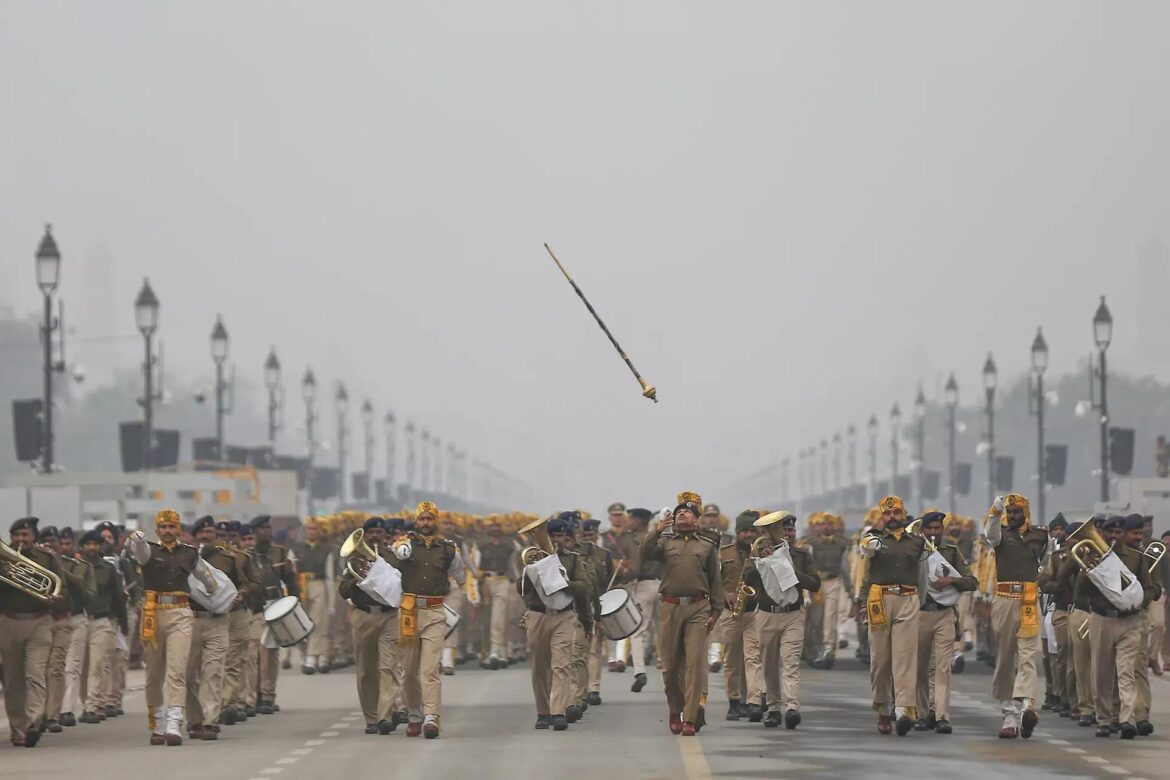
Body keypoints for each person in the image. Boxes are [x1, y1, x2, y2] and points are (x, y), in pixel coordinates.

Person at [128, 509, 220, 746]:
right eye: (164, 527)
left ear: (179, 529)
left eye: (172, 527)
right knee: (153, 673)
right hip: (152, 614)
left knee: (177, 671)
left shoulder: (189, 553)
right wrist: (136, 539)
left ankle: (173, 723)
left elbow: (206, 577)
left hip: (180, 613)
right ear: (157, 530)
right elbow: (139, 552)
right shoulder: (149, 550)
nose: (168, 531)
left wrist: (213, 589)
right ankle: (157, 724)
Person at [641, 491, 724, 737]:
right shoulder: (665, 542)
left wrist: (716, 612)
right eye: (678, 512)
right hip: (670, 607)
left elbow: (715, 580)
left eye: (686, 512)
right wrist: (657, 530)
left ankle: (689, 718)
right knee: (669, 666)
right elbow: (644, 553)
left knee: (695, 665)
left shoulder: (707, 545)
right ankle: (674, 709)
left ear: (696, 520)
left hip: (698, 608)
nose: (681, 514)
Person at [393, 500, 462, 738]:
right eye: (422, 518)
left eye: (430, 518)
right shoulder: (405, 545)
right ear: (416, 520)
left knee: (429, 669)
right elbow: (391, 569)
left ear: (436, 521)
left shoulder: (448, 549)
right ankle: (414, 712)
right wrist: (399, 544)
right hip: (409, 613)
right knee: (409, 670)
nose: (425, 523)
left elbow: (460, 576)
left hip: (434, 612)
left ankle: (432, 716)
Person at [744, 511, 820, 729]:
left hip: (792, 615)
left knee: (791, 663)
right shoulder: (759, 552)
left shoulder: (802, 555)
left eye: (790, 530)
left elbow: (815, 584)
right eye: (783, 530)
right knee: (769, 665)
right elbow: (746, 579)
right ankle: (774, 708)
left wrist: (790, 569)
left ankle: (792, 707)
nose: (786, 534)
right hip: (767, 614)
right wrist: (758, 558)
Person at [1080, 515, 1153, 739]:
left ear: (1123, 534)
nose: (1114, 536)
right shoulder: (1091, 556)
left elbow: (1148, 588)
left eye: (1118, 533)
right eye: (1110, 532)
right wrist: (1089, 570)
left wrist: (1140, 601)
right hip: (1102, 619)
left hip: (1129, 620)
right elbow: (1079, 592)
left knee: (1126, 671)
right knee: (1101, 673)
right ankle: (1104, 719)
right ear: (1102, 533)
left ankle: (1126, 719)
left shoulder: (1135, 557)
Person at [983, 493, 1048, 739]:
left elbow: (1047, 561)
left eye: (1015, 512)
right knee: (1005, 658)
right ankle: (1009, 713)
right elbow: (990, 534)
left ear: (1025, 512)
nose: (1011, 516)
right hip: (1005, 599)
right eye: (1009, 512)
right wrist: (995, 511)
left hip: (1030, 600)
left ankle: (1026, 707)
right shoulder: (1000, 533)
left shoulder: (1040, 535)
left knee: (1028, 657)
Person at [859, 496, 926, 736]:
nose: (892, 517)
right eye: (887, 514)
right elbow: (864, 562)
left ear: (903, 514)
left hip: (908, 598)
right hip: (879, 599)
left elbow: (925, 574)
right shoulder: (872, 539)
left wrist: (922, 601)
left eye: (896, 513)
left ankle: (903, 710)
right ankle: (883, 709)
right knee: (881, 659)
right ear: (882, 517)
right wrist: (861, 602)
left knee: (905, 657)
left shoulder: (918, 542)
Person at [519, 514, 592, 731]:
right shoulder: (533, 558)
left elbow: (584, 588)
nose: (557, 540)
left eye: (561, 535)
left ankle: (557, 711)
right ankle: (543, 712)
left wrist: (561, 582)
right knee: (540, 666)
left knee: (561, 664)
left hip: (564, 615)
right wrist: (533, 571)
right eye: (553, 536)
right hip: (538, 614)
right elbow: (520, 589)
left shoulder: (573, 559)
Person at [0, 516, 65, 747]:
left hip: (40, 622)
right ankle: (17, 728)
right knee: (13, 680)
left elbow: (60, 587)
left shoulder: (47, 558)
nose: (20, 540)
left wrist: (56, 598)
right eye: (15, 536)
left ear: (33, 537)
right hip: (9, 621)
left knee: (35, 675)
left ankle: (33, 722)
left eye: (24, 535)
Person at [913, 511, 977, 734]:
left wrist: (951, 580)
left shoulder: (951, 552)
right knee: (920, 669)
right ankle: (923, 714)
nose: (933, 532)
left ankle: (942, 716)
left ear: (942, 529)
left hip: (944, 615)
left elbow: (972, 582)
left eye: (937, 528)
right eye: (929, 528)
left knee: (942, 668)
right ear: (922, 530)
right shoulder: (915, 552)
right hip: (919, 614)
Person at [340, 517, 403, 735]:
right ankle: (371, 717)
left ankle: (385, 715)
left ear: (385, 535)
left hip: (389, 616)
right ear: (365, 536)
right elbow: (343, 591)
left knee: (388, 667)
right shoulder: (354, 560)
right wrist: (359, 578)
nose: (375, 536)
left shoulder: (393, 558)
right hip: (364, 615)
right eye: (371, 532)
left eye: (379, 532)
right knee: (367, 670)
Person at [717, 510, 764, 722]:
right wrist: (724, 594)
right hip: (730, 613)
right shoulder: (723, 553)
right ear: (737, 532)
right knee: (732, 661)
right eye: (744, 531)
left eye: (753, 530)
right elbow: (713, 581)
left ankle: (752, 702)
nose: (749, 535)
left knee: (753, 658)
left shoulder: (763, 552)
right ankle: (734, 702)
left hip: (754, 613)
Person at [79, 530, 128, 727]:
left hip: (103, 621)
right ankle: (86, 703)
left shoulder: (109, 570)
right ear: (82, 547)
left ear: (100, 547)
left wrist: (122, 625)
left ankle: (94, 706)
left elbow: (118, 599)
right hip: (80, 621)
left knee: (97, 665)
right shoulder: (75, 568)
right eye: (88, 544)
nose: (91, 548)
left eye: (95, 544)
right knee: (81, 667)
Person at [612, 507, 663, 692]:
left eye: (632, 518)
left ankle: (640, 671)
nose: (629, 520)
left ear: (640, 521)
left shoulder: (636, 539)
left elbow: (636, 568)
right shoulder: (659, 535)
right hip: (663, 586)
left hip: (644, 586)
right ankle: (667, 668)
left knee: (637, 631)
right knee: (663, 631)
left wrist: (620, 577)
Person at [1038, 515, 1075, 718]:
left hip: (1060, 606)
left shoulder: (1067, 554)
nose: (1059, 532)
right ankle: (1051, 691)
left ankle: (1063, 695)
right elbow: (1042, 579)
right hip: (1045, 604)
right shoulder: (1046, 551)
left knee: (1061, 653)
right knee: (1049, 653)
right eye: (1056, 529)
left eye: (1063, 529)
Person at [804, 512, 850, 667]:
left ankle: (829, 650)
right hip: (816, 583)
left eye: (829, 524)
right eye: (823, 523)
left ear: (834, 525)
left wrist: (850, 589)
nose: (826, 527)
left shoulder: (842, 543)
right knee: (816, 618)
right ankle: (815, 649)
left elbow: (846, 566)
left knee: (831, 617)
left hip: (834, 581)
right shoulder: (810, 543)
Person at [578, 516, 615, 705]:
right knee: (579, 651)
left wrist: (603, 614)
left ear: (596, 535)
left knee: (594, 650)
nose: (587, 537)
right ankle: (579, 689)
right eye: (584, 534)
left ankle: (593, 688)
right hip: (577, 608)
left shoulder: (604, 555)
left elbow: (608, 583)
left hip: (597, 606)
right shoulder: (574, 554)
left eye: (590, 534)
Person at [477, 516, 517, 670]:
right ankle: (485, 652)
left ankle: (496, 651)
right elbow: (474, 565)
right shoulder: (481, 545)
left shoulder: (509, 546)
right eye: (491, 526)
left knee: (499, 617)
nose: (494, 529)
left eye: (497, 526)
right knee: (485, 618)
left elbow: (514, 565)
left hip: (502, 580)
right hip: (485, 582)